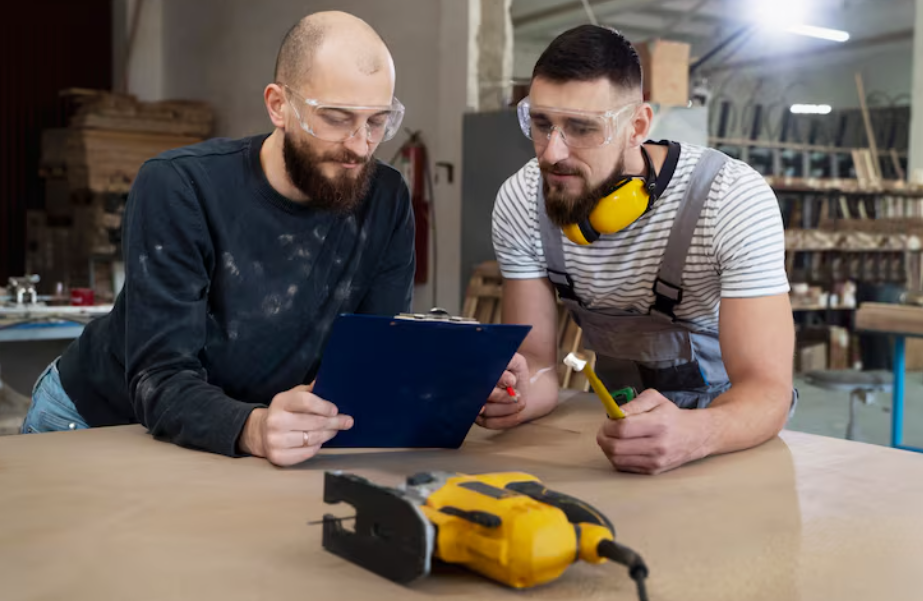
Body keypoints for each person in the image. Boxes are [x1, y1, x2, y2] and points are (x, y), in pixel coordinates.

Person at [20, 11, 415, 467]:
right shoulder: (180, 187)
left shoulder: (384, 197)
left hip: (243, 438)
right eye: (336, 119)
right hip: (101, 422)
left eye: (377, 122)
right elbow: (160, 376)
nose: (359, 146)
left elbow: (374, 353)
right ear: (279, 105)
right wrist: (255, 428)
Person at [479, 25, 796, 475]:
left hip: (728, 435)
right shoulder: (520, 200)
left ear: (638, 126)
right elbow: (538, 365)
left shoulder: (729, 197)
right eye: (542, 123)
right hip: (619, 431)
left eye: (581, 128)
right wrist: (518, 394)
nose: (551, 153)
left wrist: (695, 433)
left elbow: (768, 391)